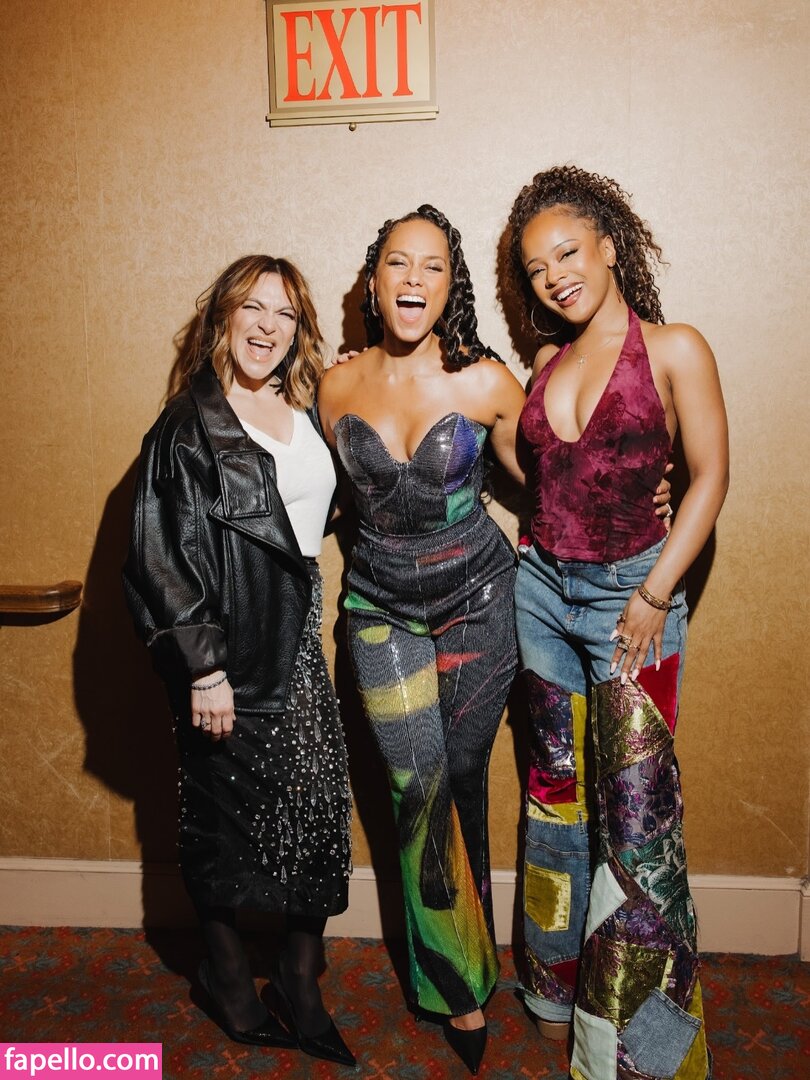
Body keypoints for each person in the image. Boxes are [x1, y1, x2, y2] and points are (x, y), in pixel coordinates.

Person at [507, 165, 728, 1080]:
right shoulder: (544, 365)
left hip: (632, 600)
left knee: (639, 828)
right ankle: (553, 991)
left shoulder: (674, 348)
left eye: (567, 252)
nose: (554, 276)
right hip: (540, 597)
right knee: (555, 804)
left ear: (607, 244)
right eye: (535, 268)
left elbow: (710, 477)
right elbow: (553, 473)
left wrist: (654, 593)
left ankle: (635, 1053)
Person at [123, 255, 355, 1068]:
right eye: (253, 307)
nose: (268, 326)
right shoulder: (188, 425)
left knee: (317, 812)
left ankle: (297, 977)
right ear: (223, 315)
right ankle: (225, 975)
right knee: (219, 818)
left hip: (295, 641)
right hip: (228, 653)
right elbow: (159, 554)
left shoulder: (306, 405)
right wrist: (204, 668)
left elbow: (310, 515)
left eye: (285, 313)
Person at [318, 206, 528, 1075]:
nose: (413, 279)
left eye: (433, 265)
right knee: (417, 782)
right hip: (380, 608)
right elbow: (313, 491)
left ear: (451, 285)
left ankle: (471, 950)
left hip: (478, 601)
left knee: (463, 775)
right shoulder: (333, 387)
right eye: (398, 263)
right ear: (373, 283)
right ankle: (459, 986)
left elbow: (550, 480)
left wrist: (644, 492)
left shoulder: (486, 382)